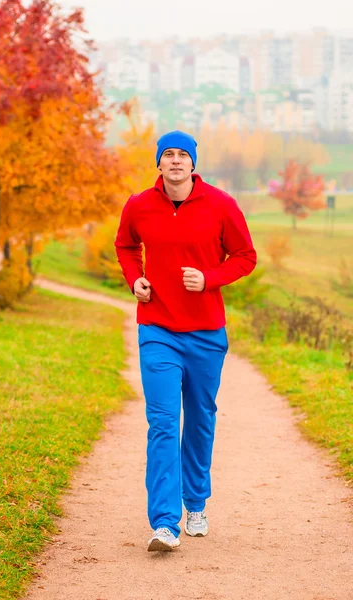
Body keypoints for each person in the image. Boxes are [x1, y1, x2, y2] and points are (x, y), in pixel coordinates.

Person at [114, 130, 257, 552]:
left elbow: (245, 256)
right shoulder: (139, 205)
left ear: (193, 163)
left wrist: (210, 278)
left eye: (183, 155)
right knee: (162, 422)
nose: (175, 160)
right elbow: (125, 245)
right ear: (158, 163)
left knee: (198, 419)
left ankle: (195, 502)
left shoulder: (221, 205)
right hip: (157, 328)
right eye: (168, 154)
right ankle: (163, 522)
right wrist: (135, 279)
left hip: (206, 334)